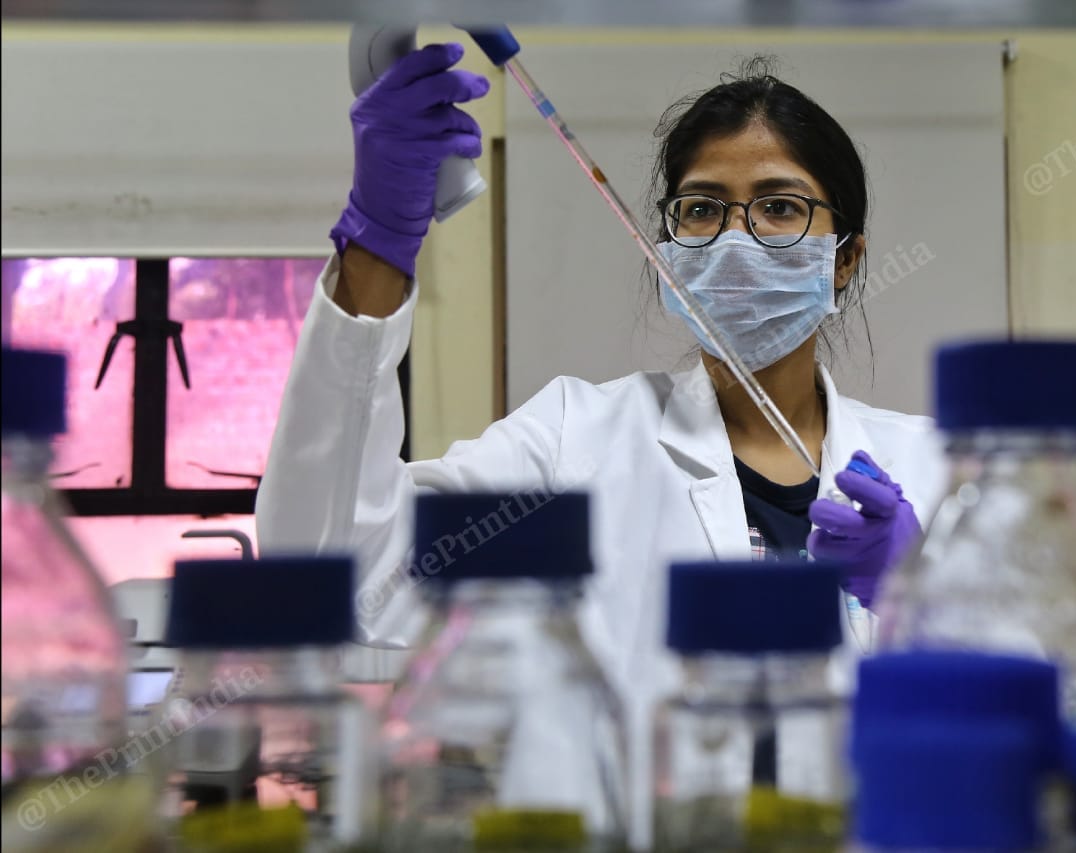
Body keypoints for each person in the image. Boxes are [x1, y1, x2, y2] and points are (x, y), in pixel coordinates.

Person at [256, 41, 948, 840]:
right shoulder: (571, 442)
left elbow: (1054, 711)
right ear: (666, 254)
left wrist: (925, 600)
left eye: (781, 207)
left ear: (845, 260)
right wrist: (379, 244)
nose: (735, 240)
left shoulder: (931, 469)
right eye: (701, 209)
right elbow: (330, 563)